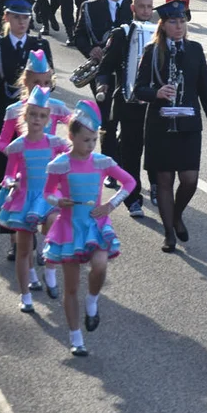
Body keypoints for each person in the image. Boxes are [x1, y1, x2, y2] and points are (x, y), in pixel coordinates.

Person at [43, 101, 136, 357]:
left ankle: (92, 301)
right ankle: (76, 337)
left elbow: (129, 182)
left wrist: (110, 205)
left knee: (100, 265)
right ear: (71, 137)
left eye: (94, 140)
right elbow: (47, 193)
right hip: (69, 227)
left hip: (96, 225)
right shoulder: (59, 164)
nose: (91, 145)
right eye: (86, 140)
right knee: (71, 287)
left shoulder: (101, 161)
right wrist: (58, 201)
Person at [134, 0, 207, 253]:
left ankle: (177, 214)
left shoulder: (195, 49)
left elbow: (206, 89)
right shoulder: (152, 51)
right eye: (173, 21)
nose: (179, 26)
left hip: (188, 124)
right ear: (163, 25)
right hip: (160, 124)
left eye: (182, 21)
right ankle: (169, 233)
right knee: (164, 180)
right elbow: (138, 88)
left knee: (190, 179)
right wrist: (157, 92)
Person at [0, 0, 54, 259]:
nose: (22, 22)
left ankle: (39, 234)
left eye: (26, 18)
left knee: (39, 180)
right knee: (10, 180)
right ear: (6, 18)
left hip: (37, 123)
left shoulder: (40, 45)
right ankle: (15, 238)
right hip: (8, 122)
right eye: (17, 17)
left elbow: (49, 85)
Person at [0, 86, 69, 310]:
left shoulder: (56, 143)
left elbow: (72, 157)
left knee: (55, 224)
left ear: (48, 119)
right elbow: (8, 173)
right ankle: (25, 296)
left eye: (42, 115)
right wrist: (8, 182)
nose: (37, 119)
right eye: (33, 114)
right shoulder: (18, 146)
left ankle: (49, 266)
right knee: (24, 250)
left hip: (49, 196)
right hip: (25, 199)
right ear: (24, 116)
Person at [96, 0, 158, 218]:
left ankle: (157, 188)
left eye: (149, 7)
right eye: (141, 7)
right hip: (128, 101)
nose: (145, 11)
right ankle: (133, 198)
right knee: (131, 151)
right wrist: (103, 85)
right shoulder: (122, 33)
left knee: (155, 148)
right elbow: (105, 66)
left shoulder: (159, 34)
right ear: (133, 8)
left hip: (153, 103)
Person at [74, 0, 132, 163]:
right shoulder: (90, 8)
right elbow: (78, 35)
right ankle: (109, 164)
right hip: (101, 73)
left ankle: (121, 158)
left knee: (127, 120)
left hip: (128, 72)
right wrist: (91, 49)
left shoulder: (134, 7)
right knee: (107, 119)